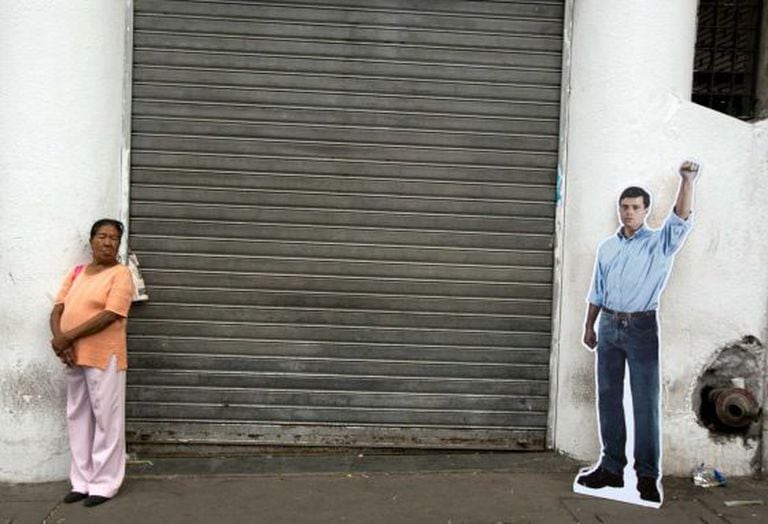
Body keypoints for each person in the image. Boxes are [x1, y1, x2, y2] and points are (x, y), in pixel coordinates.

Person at [575, 161, 700, 504]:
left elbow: (680, 217)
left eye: (634, 207)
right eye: (624, 207)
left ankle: (646, 475)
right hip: (608, 325)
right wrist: (589, 325)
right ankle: (611, 469)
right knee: (608, 398)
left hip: (641, 327)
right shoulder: (607, 247)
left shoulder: (660, 243)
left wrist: (687, 180)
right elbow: (597, 290)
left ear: (646, 211)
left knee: (645, 402)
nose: (628, 212)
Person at [50, 219, 135, 507]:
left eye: (114, 238)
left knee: (106, 420)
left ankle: (105, 483)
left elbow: (111, 313)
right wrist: (60, 341)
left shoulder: (121, 274)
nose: (108, 242)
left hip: (104, 355)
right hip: (73, 355)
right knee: (78, 417)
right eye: (102, 236)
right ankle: (82, 481)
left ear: (118, 245)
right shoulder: (77, 272)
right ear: (91, 241)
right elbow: (58, 309)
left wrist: (68, 337)